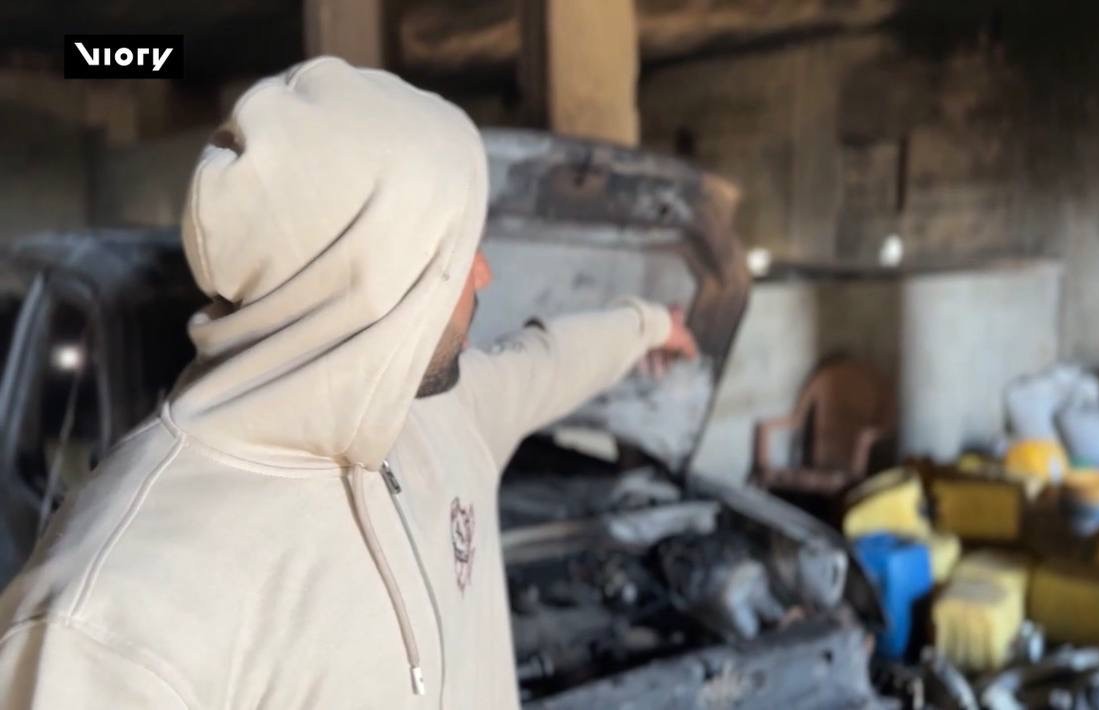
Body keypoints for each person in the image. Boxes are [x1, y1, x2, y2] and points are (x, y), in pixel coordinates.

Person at [0, 57, 697, 708]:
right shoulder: (109, 624)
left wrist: (649, 326)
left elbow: (544, 360)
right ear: (384, 278)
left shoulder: (444, 414)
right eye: (459, 256)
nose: (483, 275)